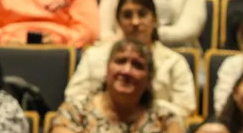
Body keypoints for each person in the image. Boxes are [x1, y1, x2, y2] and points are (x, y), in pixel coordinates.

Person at [65, 0, 197, 116]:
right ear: (118, 21)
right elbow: (73, 97)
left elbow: (186, 108)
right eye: (127, 15)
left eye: (142, 14)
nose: (135, 22)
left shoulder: (174, 62)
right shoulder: (95, 56)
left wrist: (142, 110)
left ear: (155, 19)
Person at [52, 39, 184, 133]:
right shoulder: (75, 113)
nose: (126, 71)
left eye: (137, 65)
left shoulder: (165, 119)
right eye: (120, 61)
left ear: (149, 79)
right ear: (107, 69)